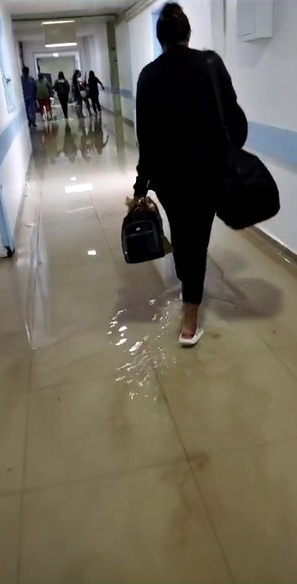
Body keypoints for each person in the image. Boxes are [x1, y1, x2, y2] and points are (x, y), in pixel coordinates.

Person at [133, 1, 248, 347]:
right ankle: (189, 319)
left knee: (184, 233)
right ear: (188, 33)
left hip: (168, 178)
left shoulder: (149, 75)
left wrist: (141, 185)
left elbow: (146, 137)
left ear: (160, 38)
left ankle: (189, 293)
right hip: (207, 172)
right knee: (196, 238)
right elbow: (234, 117)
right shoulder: (210, 64)